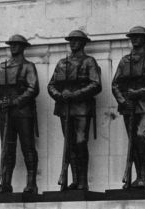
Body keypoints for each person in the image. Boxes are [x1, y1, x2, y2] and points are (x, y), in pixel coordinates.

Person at [48, 30, 101, 190]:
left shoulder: (89, 62)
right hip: (64, 108)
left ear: (83, 43)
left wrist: (75, 94)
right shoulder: (61, 63)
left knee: (80, 142)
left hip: (82, 108)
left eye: (77, 41)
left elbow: (96, 84)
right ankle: (74, 179)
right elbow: (51, 85)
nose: (73, 43)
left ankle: (83, 181)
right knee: (69, 144)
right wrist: (59, 95)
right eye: (71, 40)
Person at [0, 34, 39, 194]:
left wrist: (15, 102)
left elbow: (33, 88)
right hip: (5, 113)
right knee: (7, 149)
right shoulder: (2, 67)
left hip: (23, 112)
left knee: (27, 147)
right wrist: (0, 103)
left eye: (17, 44)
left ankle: (31, 184)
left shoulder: (28, 66)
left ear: (23, 47)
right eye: (12, 44)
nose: (13, 47)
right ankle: (5, 183)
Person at [112, 26, 145, 189]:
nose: (135, 39)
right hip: (128, 105)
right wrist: (122, 101)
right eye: (133, 37)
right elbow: (115, 84)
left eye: (138, 36)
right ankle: (138, 177)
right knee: (133, 141)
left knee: (140, 135)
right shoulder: (125, 60)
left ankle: (143, 175)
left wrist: (139, 92)